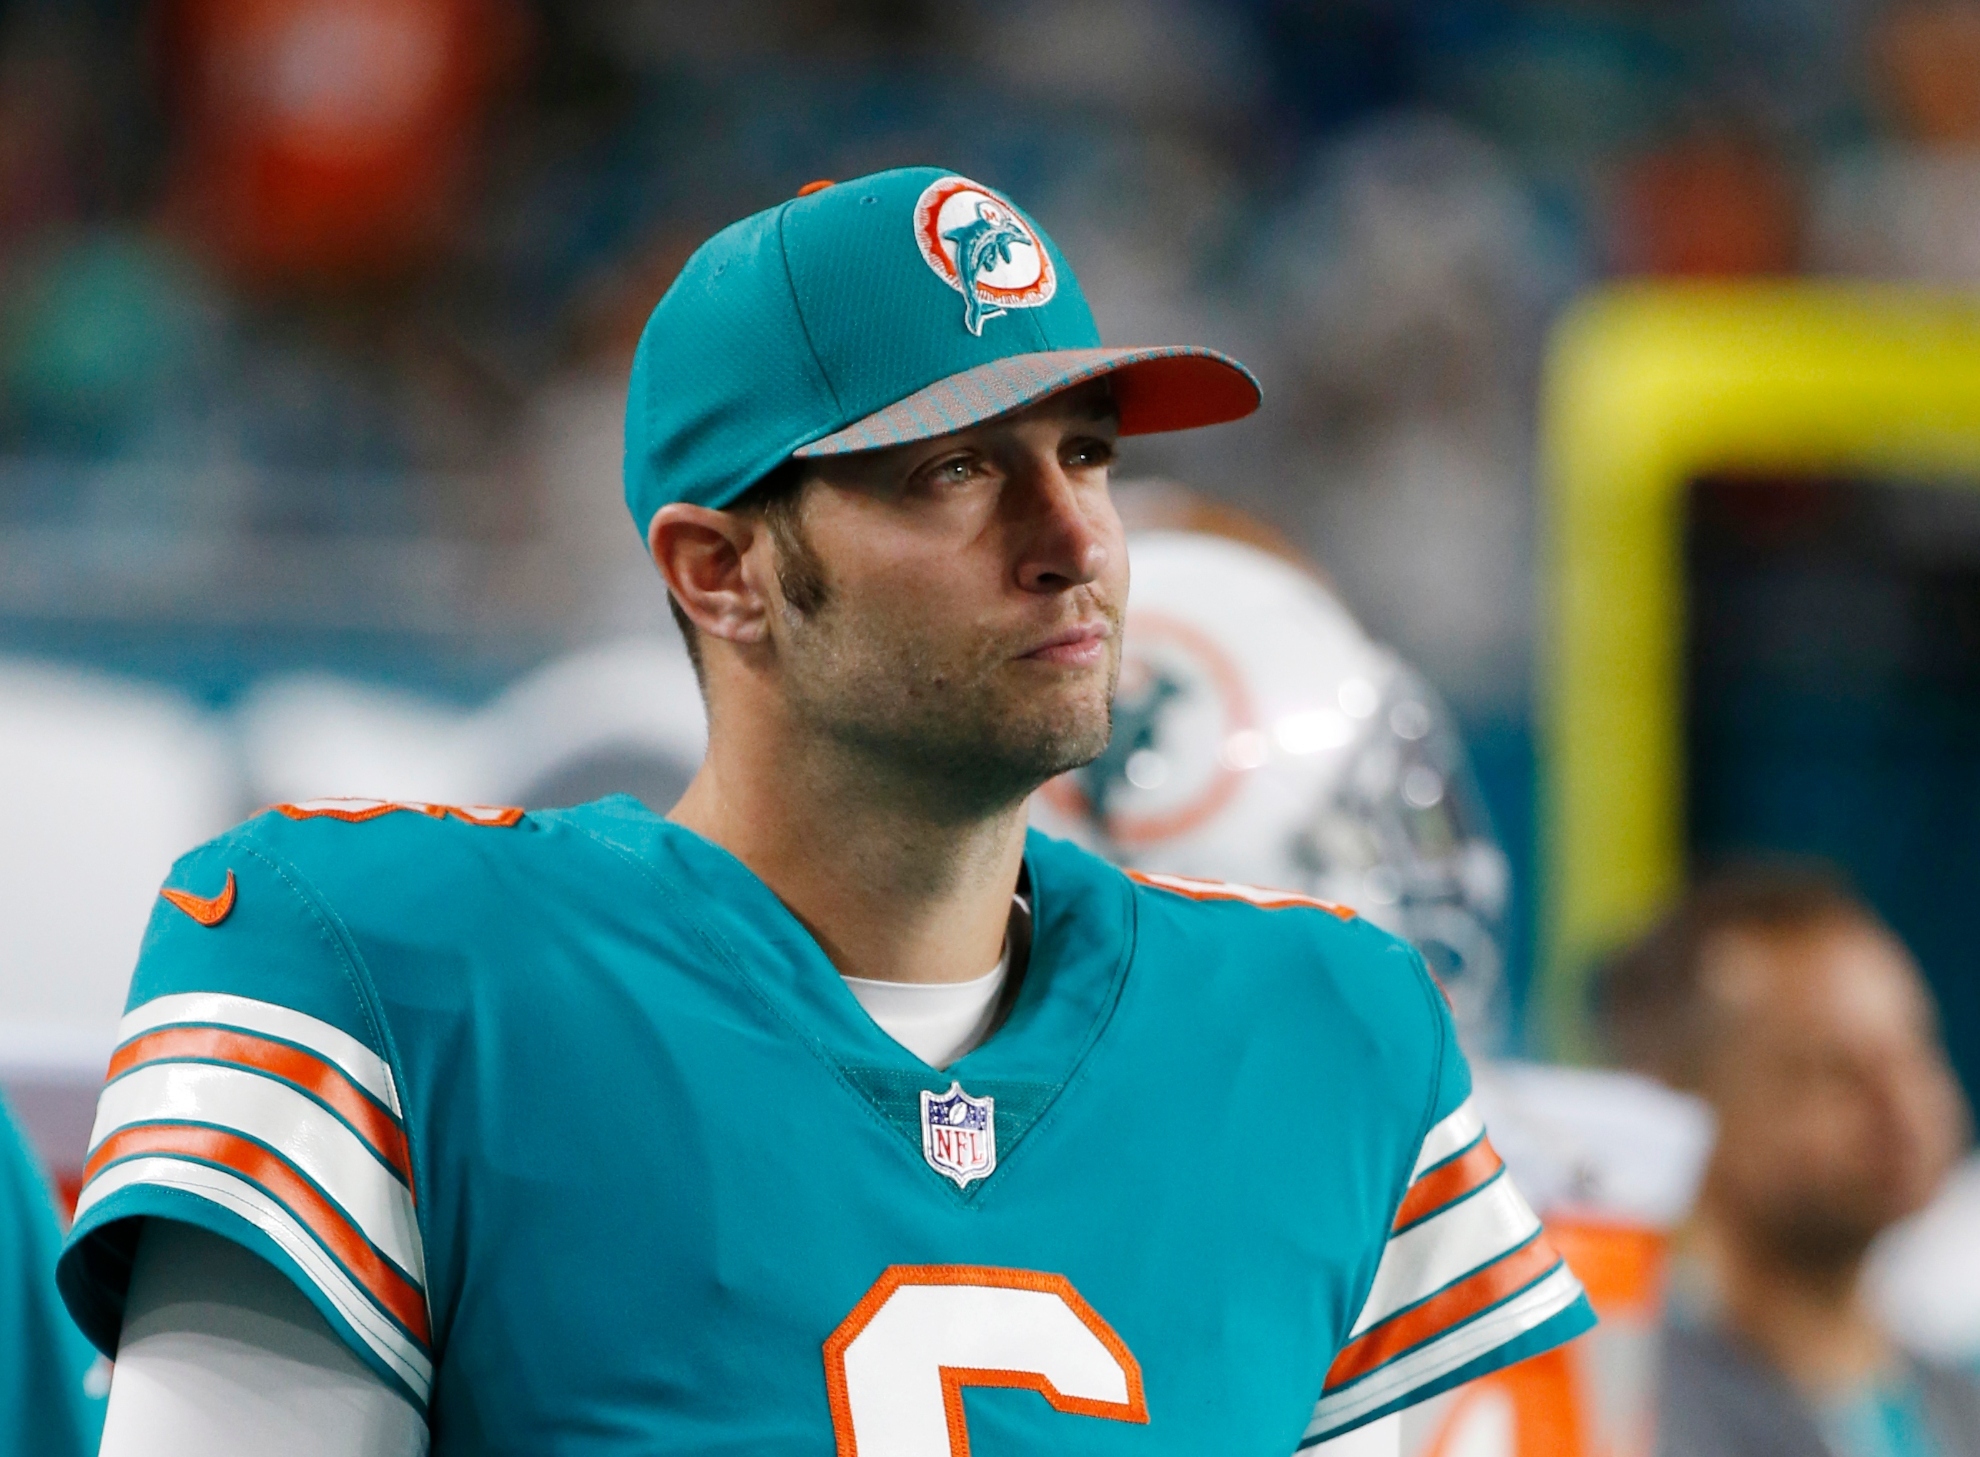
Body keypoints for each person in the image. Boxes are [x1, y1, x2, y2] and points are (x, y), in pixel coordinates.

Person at [59, 166, 1593, 1455]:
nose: (1075, 538)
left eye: (1086, 455)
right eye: (951, 472)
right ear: (719, 571)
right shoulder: (390, 972)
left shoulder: (1322, 1028)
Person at [1595, 865, 1980, 1457]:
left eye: (1914, 1049)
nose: (1901, 1105)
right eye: (1831, 1073)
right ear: (1677, 1112)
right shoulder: (1632, 1423)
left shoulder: (1960, 1401)